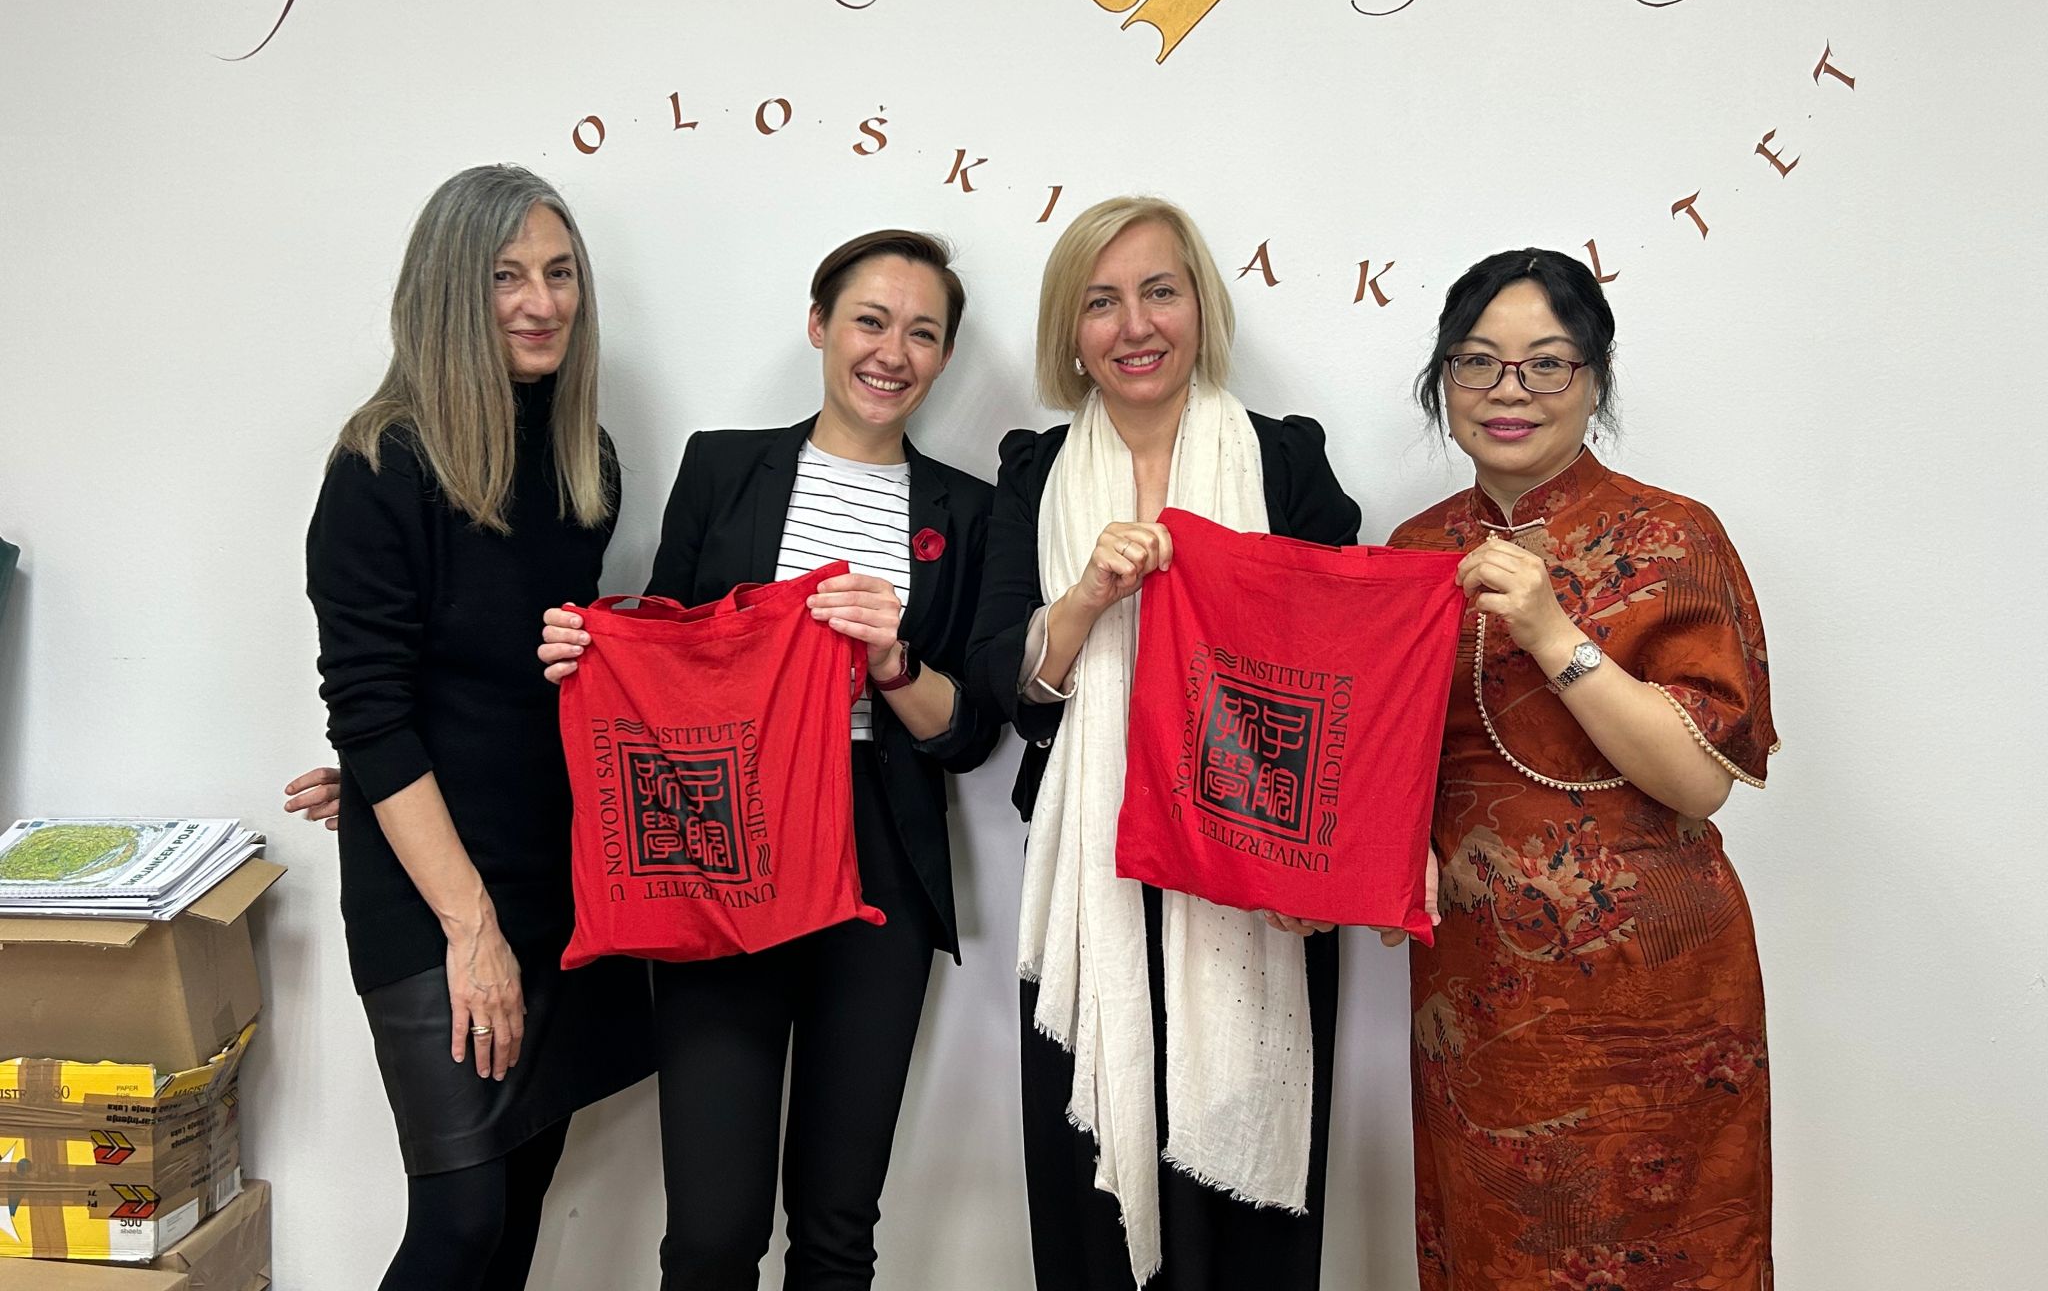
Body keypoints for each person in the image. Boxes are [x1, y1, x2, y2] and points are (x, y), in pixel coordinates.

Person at [537, 229, 1000, 1291]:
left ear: (943, 357)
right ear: (819, 325)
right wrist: (587, 649)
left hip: (878, 860)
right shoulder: (723, 464)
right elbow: (665, 652)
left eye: (922, 334)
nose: (891, 352)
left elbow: (969, 732)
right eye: (869, 321)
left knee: (836, 1230)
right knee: (712, 1232)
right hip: (717, 846)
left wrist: (890, 662)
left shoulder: (968, 512)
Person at [963, 197, 1361, 1291]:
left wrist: (1319, 864)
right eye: (1101, 302)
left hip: (1256, 873)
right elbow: (1004, 681)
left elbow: (1348, 674)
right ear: (1071, 331)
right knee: (1091, 1183)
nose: (1133, 325)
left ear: (1200, 308)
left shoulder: (1282, 460)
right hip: (1092, 875)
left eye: (1158, 292)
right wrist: (1087, 598)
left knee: (1239, 1199)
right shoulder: (1034, 472)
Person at [1384, 248, 1778, 1288]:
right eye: (1476, 362)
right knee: (1493, 1247)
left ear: (1594, 381)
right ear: (1442, 381)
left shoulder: (1675, 536)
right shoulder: (1413, 552)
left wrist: (1552, 630)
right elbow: (1388, 763)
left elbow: (1699, 781)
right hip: (1479, 990)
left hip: (1657, 989)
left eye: (1546, 364)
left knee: (1675, 1254)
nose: (1507, 390)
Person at [299, 165, 654, 1291]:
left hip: (558, 873)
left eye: (560, 273)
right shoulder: (379, 467)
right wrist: (471, 928)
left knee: (516, 1208)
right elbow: (373, 706)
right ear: (451, 290)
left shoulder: (584, 459)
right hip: (438, 900)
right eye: (506, 276)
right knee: (459, 1222)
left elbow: (504, 682)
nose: (541, 303)